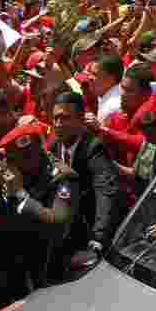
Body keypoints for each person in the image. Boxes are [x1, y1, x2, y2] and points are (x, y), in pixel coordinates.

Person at [0, 122, 80, 292]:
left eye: (30, 154)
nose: (28, 160)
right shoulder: (10, 174)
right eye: (18, 158)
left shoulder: (62, 178)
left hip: (57, 269)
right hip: (19, 266)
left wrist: (20, 194)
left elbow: (58, 224)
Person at [49, 91, 124, 270]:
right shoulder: (53, 146)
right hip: (64, 231)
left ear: (81, 119)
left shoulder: (94, 148)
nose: (58, 124)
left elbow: (105, 190)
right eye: (55, 118)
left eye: (65, 118)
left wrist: (98, 237)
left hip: (90, 233)